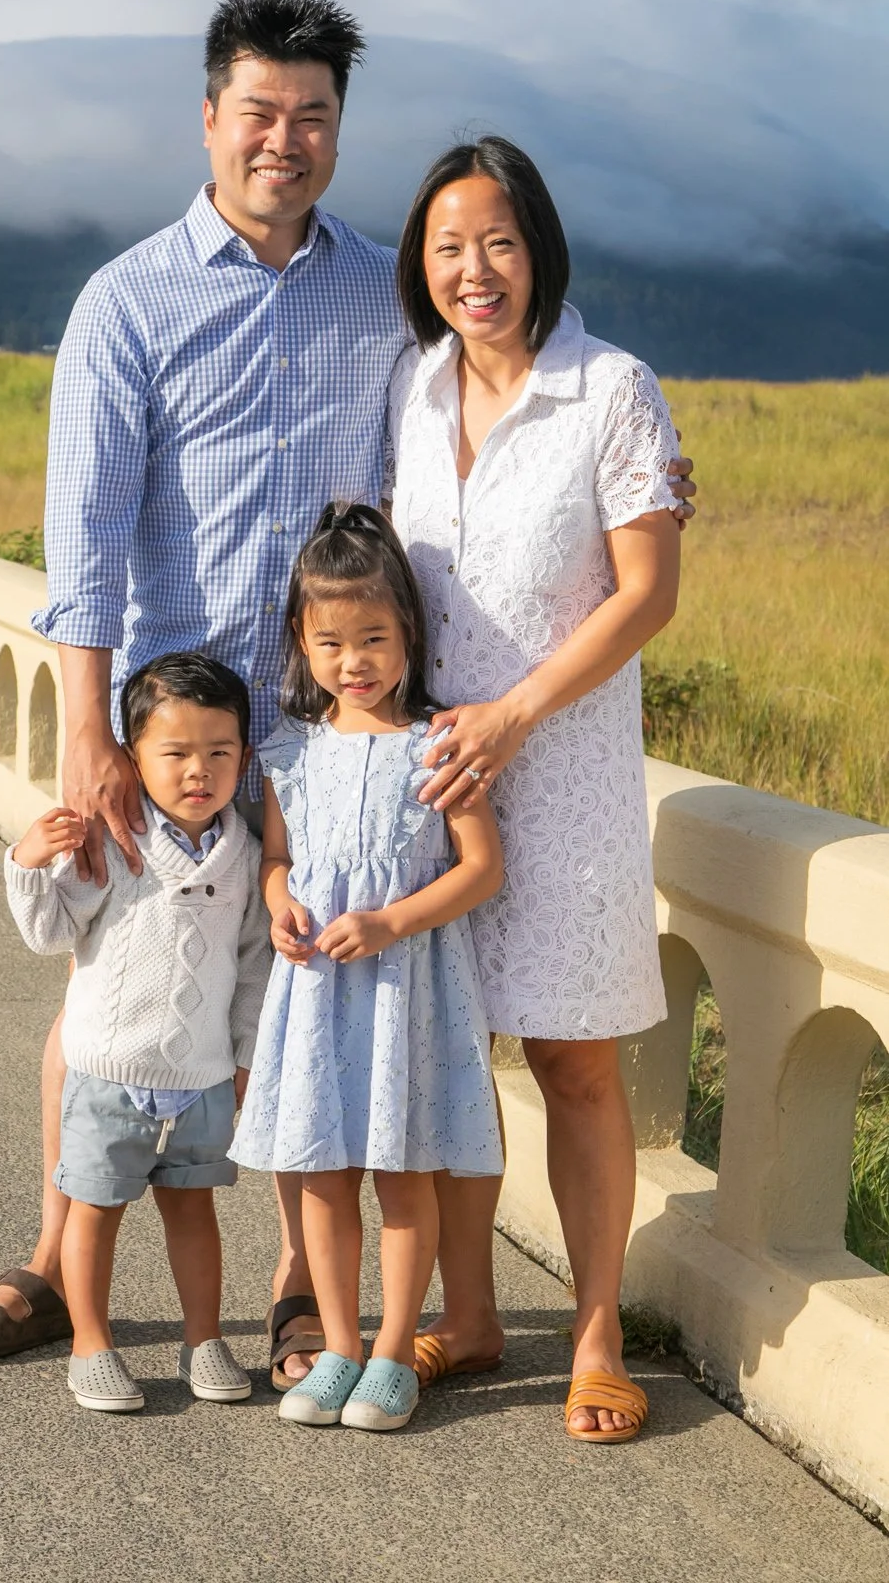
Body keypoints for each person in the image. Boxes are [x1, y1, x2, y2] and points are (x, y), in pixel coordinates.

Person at [0, 0, 697, 1379]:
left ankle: (303, 1289)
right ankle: (56, 1258)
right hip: (180, 731)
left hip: (345, 726)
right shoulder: (127, 301)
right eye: (259, 113)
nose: (284, 140)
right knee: (115, 1000)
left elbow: (508, 411)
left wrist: (640, 465)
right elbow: (82, 545)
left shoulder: (381, 293)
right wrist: (82, 751)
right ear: (210, 118)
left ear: (339, 131)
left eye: (313, 117)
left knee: (317, 1002)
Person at [386, 136, 681, 1444]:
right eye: (448, 248)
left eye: (496, 242)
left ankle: (600, 1334)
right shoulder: (414, 385)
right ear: (422, 266)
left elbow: (648, 590)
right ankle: (477, 1314)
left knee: (571, 1060)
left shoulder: (610, 388)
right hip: (438, 777)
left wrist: (515, 713)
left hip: (559, 777)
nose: (473, 271)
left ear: (538, 245)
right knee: (456, 1053)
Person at [231, 505, 504, 1433]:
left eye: (375, 638)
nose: (355, 661)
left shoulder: (438, 743)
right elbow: (276, 861)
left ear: (408, 637)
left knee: (400, 1169)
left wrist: (390, 919)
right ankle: (337, 1345)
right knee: (319, 1171)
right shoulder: (291, 755)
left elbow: (480, 869)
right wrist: (280, 909)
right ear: (302, 646)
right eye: (332, 642)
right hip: (315, 994)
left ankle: (393, 1352)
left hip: (403, 991)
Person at [0, 653, 270, 1412]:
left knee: (194, 1212)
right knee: (94, 1212)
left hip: (200, 1077)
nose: (197, 772)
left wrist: (243, 1060)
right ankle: (89, 1344)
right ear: (132, 756)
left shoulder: (243, 853)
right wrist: (27, 862)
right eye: (173, 754)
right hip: (106, 1072)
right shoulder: (111, 840)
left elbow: (251, 968)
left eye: (219, 752)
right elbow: (51, 936)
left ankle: (203, 1340)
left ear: (244, 756)